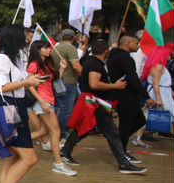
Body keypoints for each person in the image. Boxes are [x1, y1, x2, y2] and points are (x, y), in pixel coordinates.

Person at [59, 39, 147, 174]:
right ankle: (123, 164)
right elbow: (94, 84)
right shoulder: (95, 64)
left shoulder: (91, 62)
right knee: (92, 130)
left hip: (96, 102)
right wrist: (115, 86)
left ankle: (123, 163)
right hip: (95, 102)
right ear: (106, 51)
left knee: (102, 131)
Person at [0, 24, 47, 183]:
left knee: (13, 155)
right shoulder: (2, 58)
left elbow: (21, 83)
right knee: (29, 158)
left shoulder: (15, 58)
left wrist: (31, 81)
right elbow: (0, 87)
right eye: (24, 35)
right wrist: (26, 83)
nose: (28, 38)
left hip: (16, 106)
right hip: (7, 108)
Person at [26, 40, 77, 176]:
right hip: (44, 101)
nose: (49, 50)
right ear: (38, 50)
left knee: (43, 131)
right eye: (46, 48)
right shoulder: (34, 65)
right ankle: (58, 163)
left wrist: (62, 68)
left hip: (48, 100)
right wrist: (41, 102)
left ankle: (14, 142)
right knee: (55, 132)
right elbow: (30, 85)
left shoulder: (46, 64)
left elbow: (53, 81)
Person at [108, 35, 155, 159]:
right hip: (124, 95)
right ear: (128, 43)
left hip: (125, 95)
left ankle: (118, 143)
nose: (138, 46)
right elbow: (133, 78)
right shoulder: (124, 58)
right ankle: (121, 151)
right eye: (136, 43)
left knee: (139, 120)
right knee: (126, 124)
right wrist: (146, 96)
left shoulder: (118, 57)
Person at [50, 29, 82, 141]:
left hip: (58, 81)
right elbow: (76, 66)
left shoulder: (56, 48)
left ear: (62, 37)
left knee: (59, 108)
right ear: (74, 38)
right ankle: (61, 133)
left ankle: (57, 132)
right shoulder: (71, 48)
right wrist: (87, 76)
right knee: (66, 110)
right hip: (68, 82)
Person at [142, 44, 174, 137]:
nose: (170, 54)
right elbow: (155, 83)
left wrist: (173, 95)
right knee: (173, 116)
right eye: (168, 53)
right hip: (160, 93)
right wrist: (159, 99)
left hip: (163, 92)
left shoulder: (158, 66)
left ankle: (138, 137)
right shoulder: (159, 66)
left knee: (148, 115)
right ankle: (138, 137)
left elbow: (164, 84)